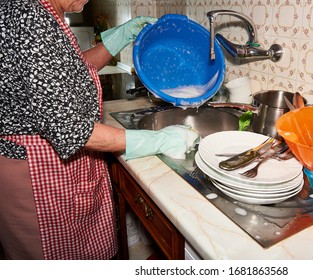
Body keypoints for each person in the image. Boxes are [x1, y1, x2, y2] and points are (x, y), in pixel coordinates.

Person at [0, 0, 199, 260]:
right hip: (36, 174)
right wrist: (160, 140)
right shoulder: (29, 16)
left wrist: (120, 37)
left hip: (55, 163)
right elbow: (71, 130)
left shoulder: (45, 12)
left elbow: (69, 73)